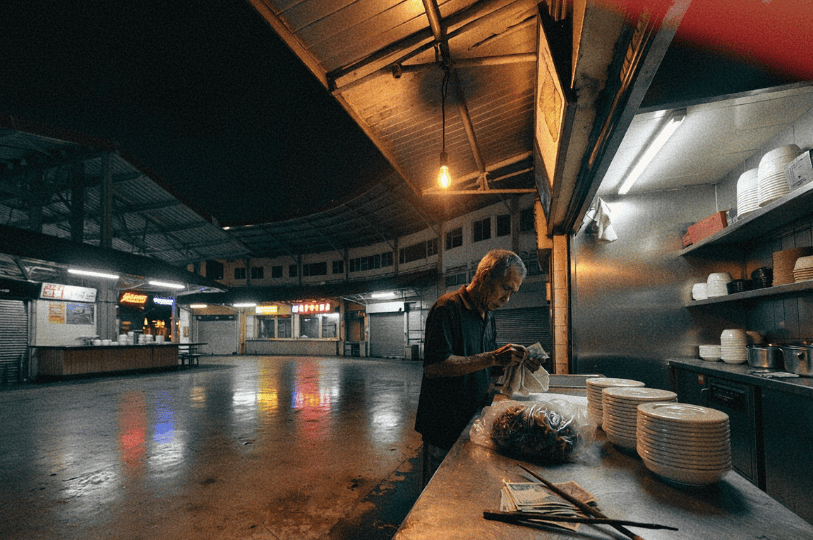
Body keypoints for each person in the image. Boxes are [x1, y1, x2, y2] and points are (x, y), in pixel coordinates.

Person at [414, 249, 543, 485]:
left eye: (513, 293)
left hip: (473, 420)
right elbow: (434, 367)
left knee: (464, 488)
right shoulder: (447, 308)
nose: (507, 299)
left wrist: (516, 363)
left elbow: (488, 368)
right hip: (443, 424)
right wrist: (493, 357)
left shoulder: (488, 315)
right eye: (505, 288)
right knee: (437, 495)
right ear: (484, 276)